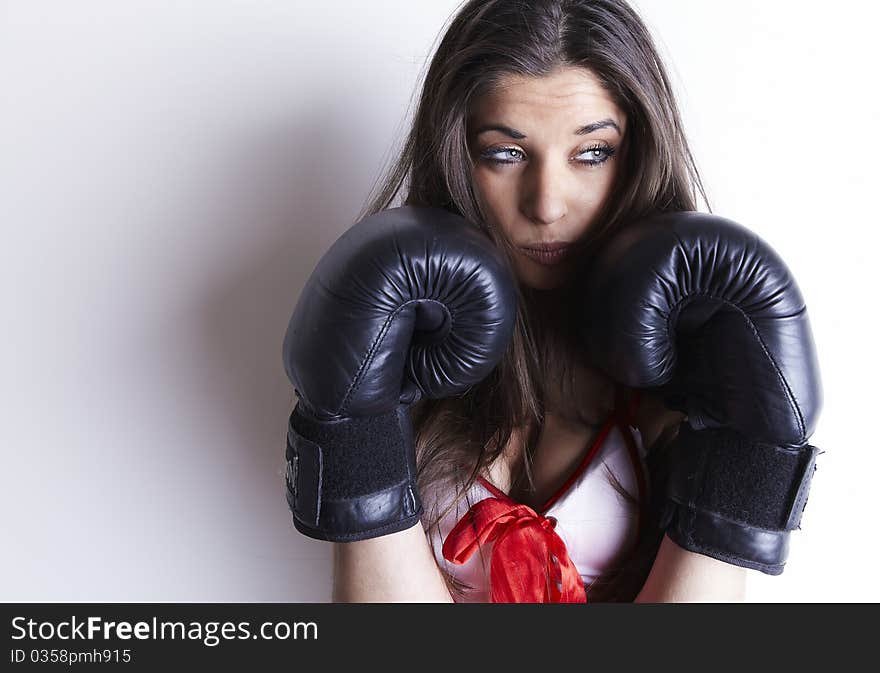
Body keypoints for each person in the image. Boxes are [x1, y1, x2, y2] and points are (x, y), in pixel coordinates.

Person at [281, 0, 823, 603]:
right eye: (505, 153)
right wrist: (354, 426)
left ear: (637, 153)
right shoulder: (398, 340)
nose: (547, 203)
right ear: (458, 155)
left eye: (591, 152)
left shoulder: (697, 368)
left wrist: (748, 455)